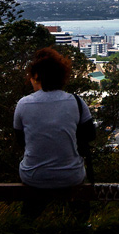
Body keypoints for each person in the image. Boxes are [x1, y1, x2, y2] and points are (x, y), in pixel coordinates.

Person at [14, 47, 95, 220]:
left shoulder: (23, 104)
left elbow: (20, 140)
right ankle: (83, 228)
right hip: (71, 174)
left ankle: (25, 229)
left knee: (29, 214)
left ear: (37, 76)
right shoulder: (76, 102)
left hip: (34, 175)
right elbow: (90, 135)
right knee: (79, 209)